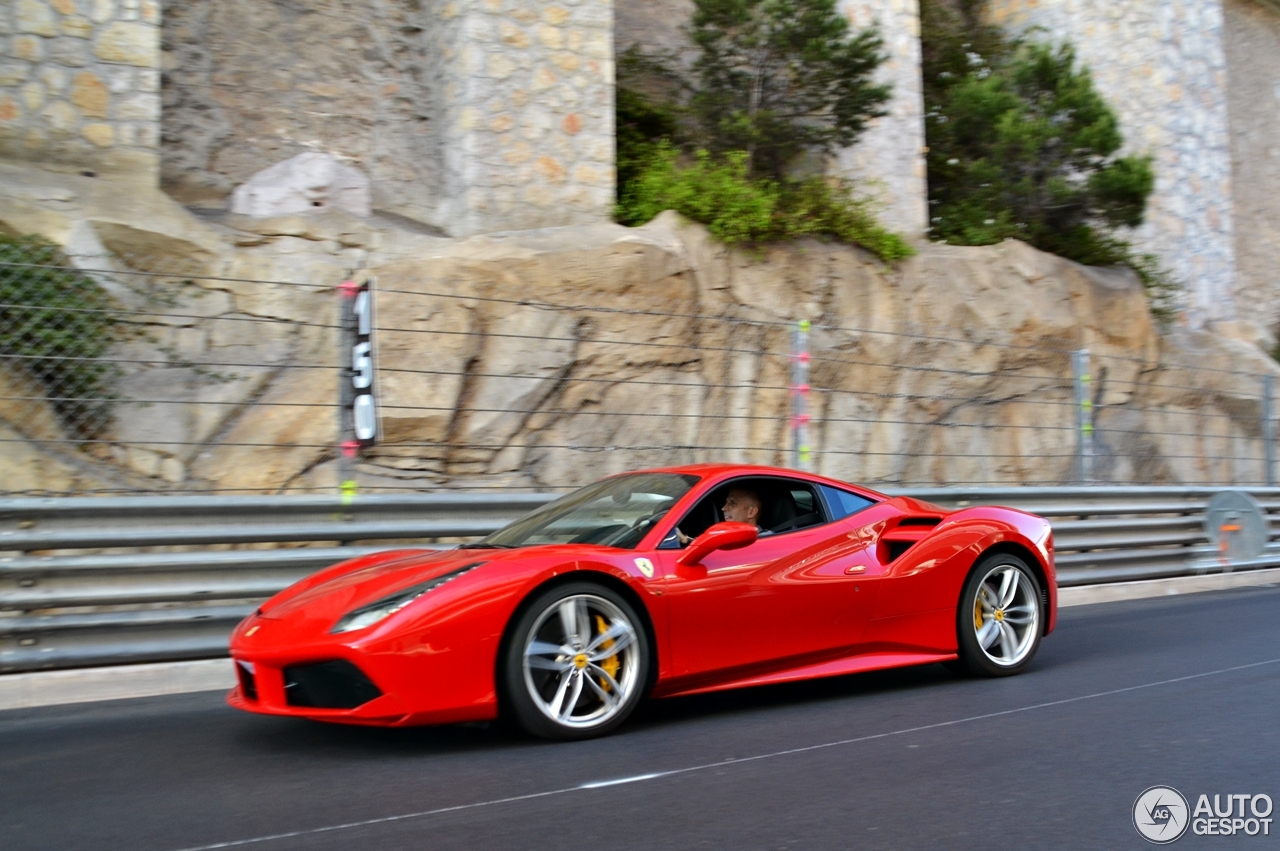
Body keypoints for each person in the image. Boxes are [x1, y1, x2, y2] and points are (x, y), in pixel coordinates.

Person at [675, 486, 765, 546]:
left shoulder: (765, 541)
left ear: (751, 511)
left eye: (733, 503)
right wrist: (684, 539)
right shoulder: (728, 536)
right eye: (726, 502)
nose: (723, 508)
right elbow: (709, 546)